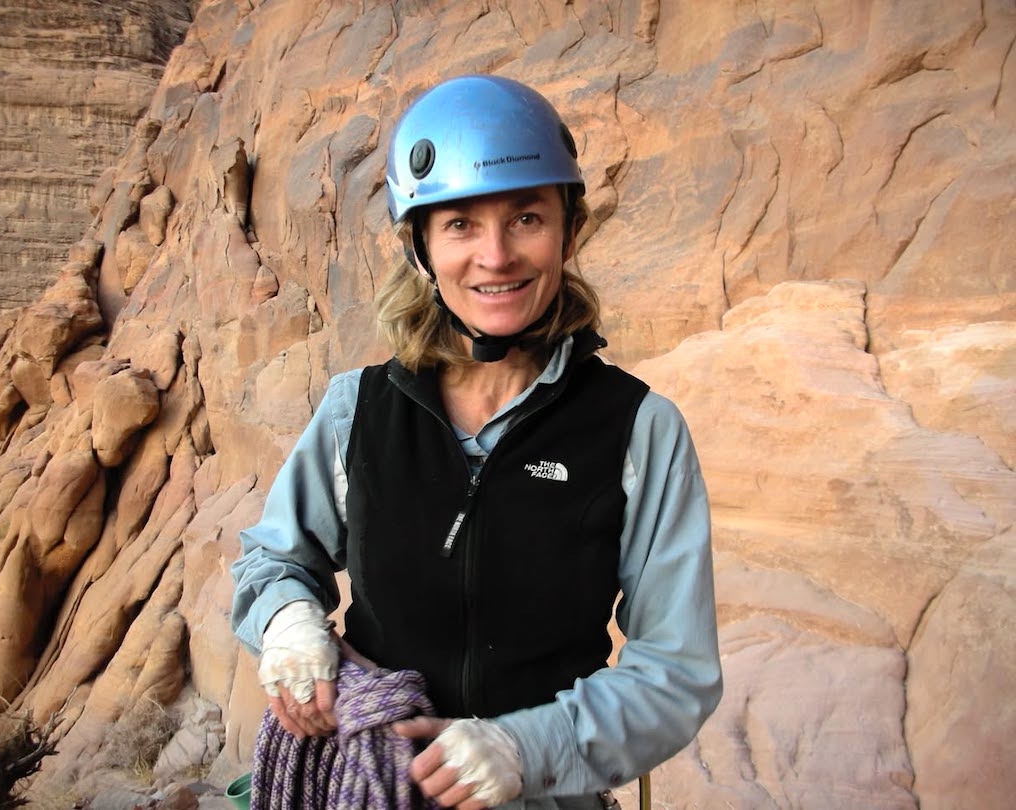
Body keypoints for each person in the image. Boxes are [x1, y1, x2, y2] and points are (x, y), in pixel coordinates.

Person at [231, 74, 722, 810]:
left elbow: (676, 670)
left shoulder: (637, 431)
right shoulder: (356, 414)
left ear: (569, 230)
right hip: (371, 788)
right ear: (421, 245)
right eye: (460, 223)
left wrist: (525, 748)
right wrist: (289, 625)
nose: (496, 257)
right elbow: (272, 560)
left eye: (527, 217)